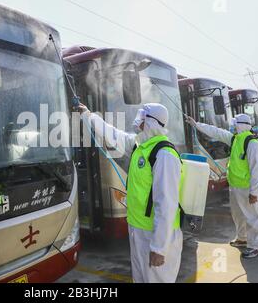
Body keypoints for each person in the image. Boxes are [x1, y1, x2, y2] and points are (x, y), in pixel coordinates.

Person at [77, 102, 183, 283]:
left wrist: (159, 248)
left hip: (155, 234)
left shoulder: (164, 154)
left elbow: (166, 204)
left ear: (150, 122)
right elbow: (112, 133)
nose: (138, 119)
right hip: (138, 230)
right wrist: (89, 115)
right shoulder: (139, 146)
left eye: (142, 116)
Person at [186, 114, 258, 259]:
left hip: (248, 189)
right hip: (235, 186)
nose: (233, 126)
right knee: (238, 215)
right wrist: (196, 124)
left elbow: (257, 169)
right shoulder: (235, 139)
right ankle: (242, 239)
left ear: (241, 125)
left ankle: (256, 247)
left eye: (235, 124)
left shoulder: (252, 143)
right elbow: (216, 132)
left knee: (253, 217)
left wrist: (254, 192)